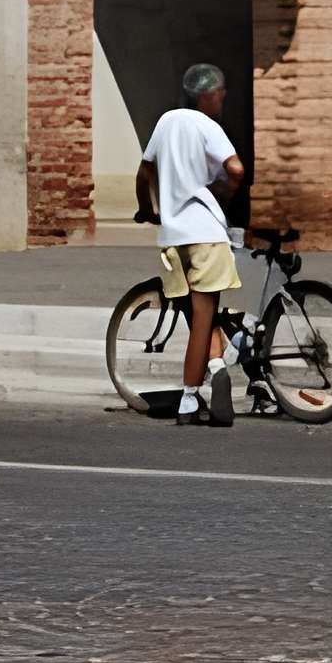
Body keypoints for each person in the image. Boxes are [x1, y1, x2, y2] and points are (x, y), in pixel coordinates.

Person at [135, 63, 247, 427]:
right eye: (220, 93)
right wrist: (221, 197)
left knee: (195, 314)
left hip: (172, 241)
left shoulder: (165, 122)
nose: (224, 98)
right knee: (203, 319)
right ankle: (188, 397)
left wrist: (147, 210)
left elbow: (144, 173)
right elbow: (236, 170)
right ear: (205, 96)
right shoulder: (208, 126)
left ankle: (216, 366)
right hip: (205, 236)